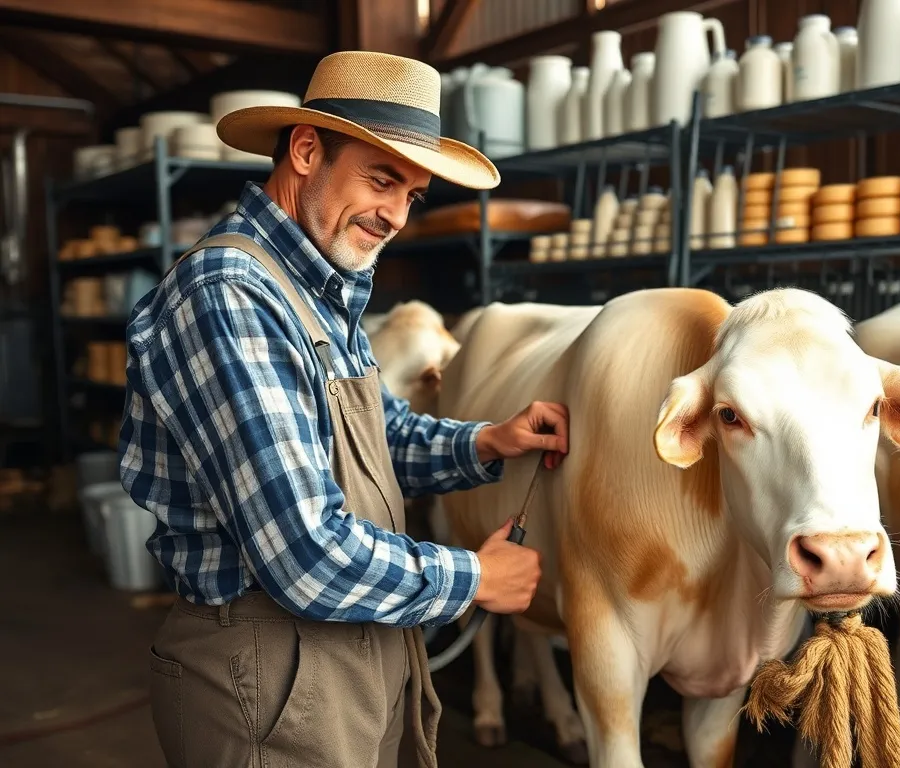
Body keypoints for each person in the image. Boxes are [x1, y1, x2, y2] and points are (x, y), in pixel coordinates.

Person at [118, 50, 569, 768]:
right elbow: (302, 552)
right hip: (266, 670)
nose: (395, 215)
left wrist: (486, 441)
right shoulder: (229, 296)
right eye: (382, 179)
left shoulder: (319, 290)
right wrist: (475, 578)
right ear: (305, 150)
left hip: (346, 647)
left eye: (412, 195)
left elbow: (372, 433)